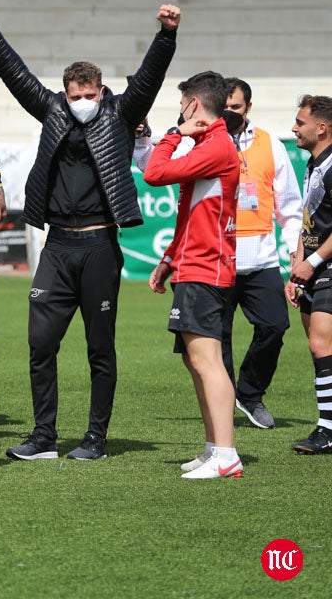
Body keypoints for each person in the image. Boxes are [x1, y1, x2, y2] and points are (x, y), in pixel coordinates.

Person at [0, 0, 180, 461]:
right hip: (58, 244)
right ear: (64, 93)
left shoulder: (121, 114)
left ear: (101, 90)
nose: (81, 103)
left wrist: (166, 35)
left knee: (99, 348)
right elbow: (15, 74)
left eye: (89, 94)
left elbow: (150, 77)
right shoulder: (52, 110)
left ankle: (95, 439)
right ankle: (44, 438)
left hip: (101, 244)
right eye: (74, 95)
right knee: (40, 343)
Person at [145, 71, 241, 479]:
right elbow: (190, 213)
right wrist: (169, 258)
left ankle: (226, 454)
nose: (179, 108)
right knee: (195, 360)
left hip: (206, 267)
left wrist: (173, 132)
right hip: (193, 265)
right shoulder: (211, 143)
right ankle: (213, 448)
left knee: (207, 362)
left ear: (194, 104)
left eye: (182, 102)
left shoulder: (217, 145)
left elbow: (153, 172)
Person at [220, 77, 302, 430]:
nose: (228, 113)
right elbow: (156, 169)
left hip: (262, 260)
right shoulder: (202, 139)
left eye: (235, 107)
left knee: (274, 326)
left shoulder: (271, 144)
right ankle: (220, 401)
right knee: (215, 338)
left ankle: (249, 393)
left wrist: (294, 256)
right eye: (223, 106)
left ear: (248, 108)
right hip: (217, 259)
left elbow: (290, 208)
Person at [286, 94, 332, 455]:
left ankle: (327, 429)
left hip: (327, 266)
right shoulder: (313, 164)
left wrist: (312, 262)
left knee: (321, 345)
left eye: (300, 123)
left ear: (322, 127)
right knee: (321, 351)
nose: (294, 128)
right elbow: (308, 221)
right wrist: (296, 268)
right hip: (312, 269)